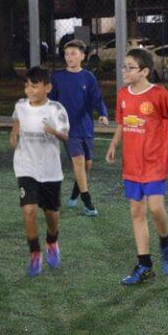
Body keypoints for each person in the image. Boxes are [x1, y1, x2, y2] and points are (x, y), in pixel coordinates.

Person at [106, 47, 168, 286]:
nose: (124, 70)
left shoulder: (159, 94)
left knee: (155, 208)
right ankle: (144, 265)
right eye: (123, 66)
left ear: (144, 71)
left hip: (154, 163)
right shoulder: (123, 95)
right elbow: (123, 123)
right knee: (136, 212)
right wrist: (114, 143)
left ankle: (165, 243)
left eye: (130, 67)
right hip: (131, 165)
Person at [11, 67, 70, 277]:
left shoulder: (56, 109)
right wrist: (14, 134)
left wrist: (52, 131)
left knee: (52, 214)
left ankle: (52, 241)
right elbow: (17, 119)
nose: (29, 90)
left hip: (50, 170)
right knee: (29, 210)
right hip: (25, 166)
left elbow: (65, 136)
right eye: (27, 85)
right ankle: (35, 252)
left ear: (47, 87)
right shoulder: (20, 105)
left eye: (34, 86)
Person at [50, 39, 109, 216]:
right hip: (67, 129)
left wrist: (103, 113)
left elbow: (96, 99)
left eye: (73, 53)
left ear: (83, 56)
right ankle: (87, 201)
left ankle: (76, 191)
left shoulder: (88, 77)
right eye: (67, 54)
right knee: (78, 161)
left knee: (87, 164)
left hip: (86, 126)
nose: (69, 57)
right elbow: (51, 102)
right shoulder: (58, 77)